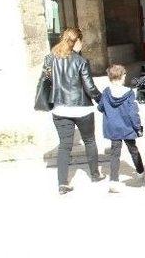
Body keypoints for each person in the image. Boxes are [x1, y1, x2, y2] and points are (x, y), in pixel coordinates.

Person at [45, 27, 105, 194]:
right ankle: (94, 174)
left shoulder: (51, 59)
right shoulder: (80, 61)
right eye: (81, 41)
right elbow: (90, 88)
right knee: (90, 141)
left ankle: (62, 183)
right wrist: (102, 100)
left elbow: (47, 82)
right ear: (77, 41)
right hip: (81, 108)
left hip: (59, 108)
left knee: (64, 146)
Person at [97, 64, 145, 193]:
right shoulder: (129, 93)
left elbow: (100, 107)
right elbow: (132, 113)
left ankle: (113, 180)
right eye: (124, 75)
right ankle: (140, 172)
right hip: (128, 127)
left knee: (114, 154)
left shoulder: (106, 92)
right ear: (122, 76)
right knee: (133, 150)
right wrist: (138, 127)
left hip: (113, 128)